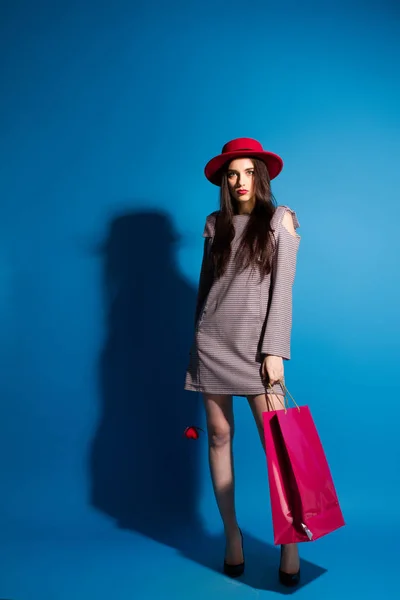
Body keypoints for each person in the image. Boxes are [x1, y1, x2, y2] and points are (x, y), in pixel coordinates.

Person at [184, 137, 301, 587]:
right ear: (224, 180)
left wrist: (275, 350)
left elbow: (283, 292)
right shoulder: (215, 224)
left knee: (279, 447)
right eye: (233, 173)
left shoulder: (280, 222)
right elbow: (204, 290)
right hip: (211, 342)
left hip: (257, 350)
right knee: (218, 435)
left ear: (262, 176)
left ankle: (291, 540)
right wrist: (196, 345)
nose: (241, 181)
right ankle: (232, 536)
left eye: (249, 171)